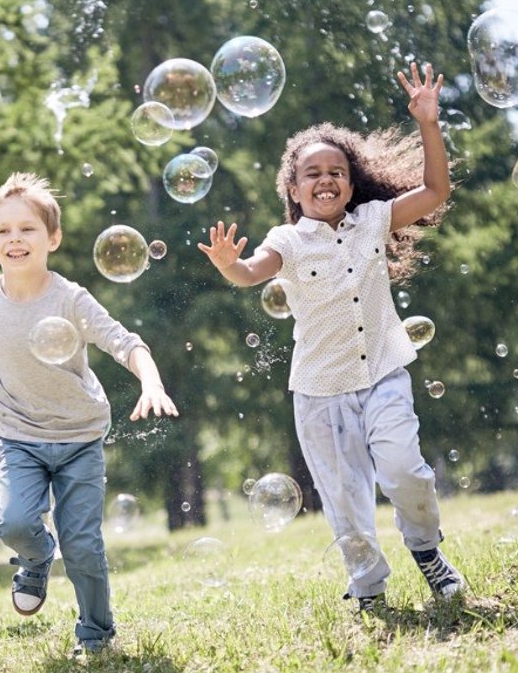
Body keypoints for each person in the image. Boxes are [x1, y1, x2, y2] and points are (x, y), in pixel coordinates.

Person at [198, 63, 464, 612]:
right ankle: (367, 589)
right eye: (312, 172)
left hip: (384, 372)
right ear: (293, 188)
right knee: (345, 503)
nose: (325, 179)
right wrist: (229, 264)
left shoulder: (373, 219)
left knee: (406, 472)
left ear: (351, 180)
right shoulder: (288, 241)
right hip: (321, 391)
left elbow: (436, 190)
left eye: (336, 171)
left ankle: (427, 552)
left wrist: (428, 124)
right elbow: (252, 272)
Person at [0, 172, 179, 656]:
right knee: (12, 523)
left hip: (79, 436)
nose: (16, 238)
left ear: (52, 238)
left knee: (83, 545)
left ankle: (96, 634)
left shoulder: (70, 298)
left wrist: (152, 380)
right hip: (19, 436)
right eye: (4, 230)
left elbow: (125, 342)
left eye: (28, 228)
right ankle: (36, 558)